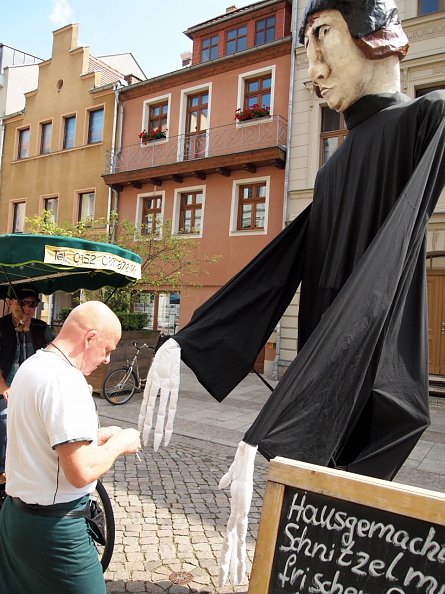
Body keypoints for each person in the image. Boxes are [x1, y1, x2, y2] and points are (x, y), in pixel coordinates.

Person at [138, 0, 445, 586]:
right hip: (323, 366)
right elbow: (283, 262)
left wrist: (290, 409)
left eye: (322, 34)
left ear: (374, 32)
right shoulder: (332, 167)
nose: (313, 66)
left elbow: (384, 267)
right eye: (305, 48)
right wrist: (192, 340)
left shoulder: (425, 121)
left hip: (369, 370)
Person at [0, 301, 141, 594]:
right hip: (55, 530)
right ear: (89, 338)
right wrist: (120, 443)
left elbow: (39, 431)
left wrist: (94, 436)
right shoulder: (66, 379)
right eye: (107, 349)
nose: (106, 360)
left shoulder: (33, 365)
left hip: (16, 519)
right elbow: (80, 472)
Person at [0, 285, 53, 484]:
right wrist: (4, 388)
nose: (29, 309)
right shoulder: (1, 327)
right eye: (25, 303)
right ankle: (3, 472)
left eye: (33, 304)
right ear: (12, 303)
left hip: (35, 388)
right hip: (7, 387)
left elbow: (55, 356)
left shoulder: (41, 328)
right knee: (4, 419)